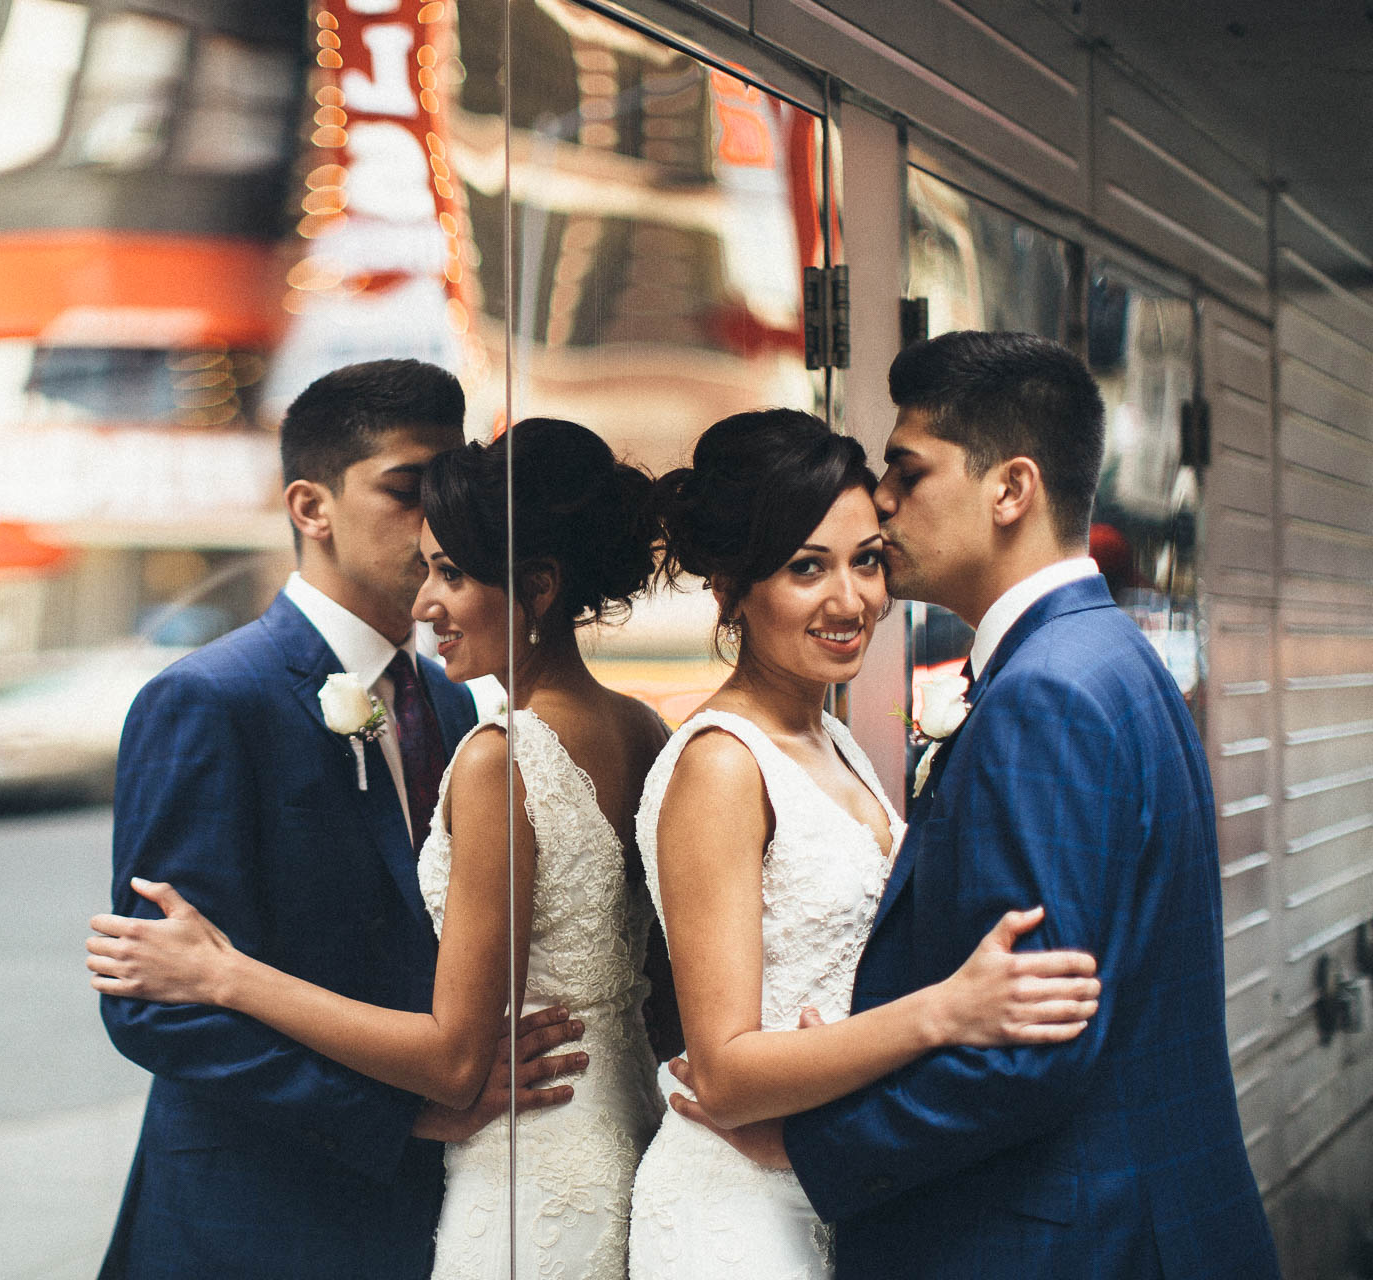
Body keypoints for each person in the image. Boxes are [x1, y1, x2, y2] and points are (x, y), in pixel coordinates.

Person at [90, 418, 674, 1280]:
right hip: (603, 1145)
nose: (425, 599)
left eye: (452, 572)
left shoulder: (491, 743)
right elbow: (658, 994)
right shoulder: (644, 728)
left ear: (540, 586)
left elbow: (453, 1057)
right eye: (427, 554)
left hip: (526, 1166)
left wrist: (225, 973)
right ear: (310, 507)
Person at [749, 332, 1277, 1277]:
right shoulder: (1111, 656)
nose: (881, 499)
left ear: (1011, 489)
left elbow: (1032, 1045)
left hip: (1072, 1241)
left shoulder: (1046, 693)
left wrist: (811, 1142)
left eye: (908, 470)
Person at [628, 408, 1104, 1279]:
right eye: (807, 567)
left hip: (833, 1184)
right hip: (737, 1209)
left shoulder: (834, 737)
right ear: (732, 588)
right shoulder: (722, 765)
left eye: (868, 561)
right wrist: (943, 1012)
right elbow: (724, 1073)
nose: (851, 601)